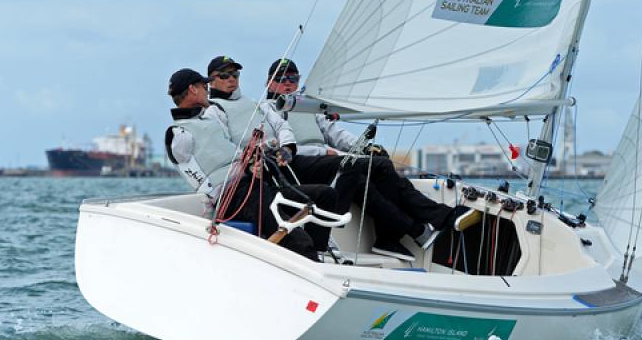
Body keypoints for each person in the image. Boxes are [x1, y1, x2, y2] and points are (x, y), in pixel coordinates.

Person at [263, 58, 476, 260]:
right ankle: (422, 225)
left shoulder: (307, 108)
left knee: (375, 171)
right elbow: (280, 150)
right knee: (379, 167)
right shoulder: (267, 111)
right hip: (300, 169)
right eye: (282, 79)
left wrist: (365, 147)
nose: (289, 84)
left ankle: (391, 238)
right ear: (270, 83)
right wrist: (321, 153)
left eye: (294, 78)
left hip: (331, 165)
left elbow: (336, 134)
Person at [164, 67, 337, 261]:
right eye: (204, 86)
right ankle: (312, 265)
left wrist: (250, 164)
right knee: (299, 240)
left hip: (255, 187)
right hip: (236, 198)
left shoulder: (208, 122)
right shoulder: (179, 134)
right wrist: (218, 195)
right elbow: (194, 174)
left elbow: (232, 154)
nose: (207, 89)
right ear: (193, 89)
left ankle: (319, 254)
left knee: (326, 195)